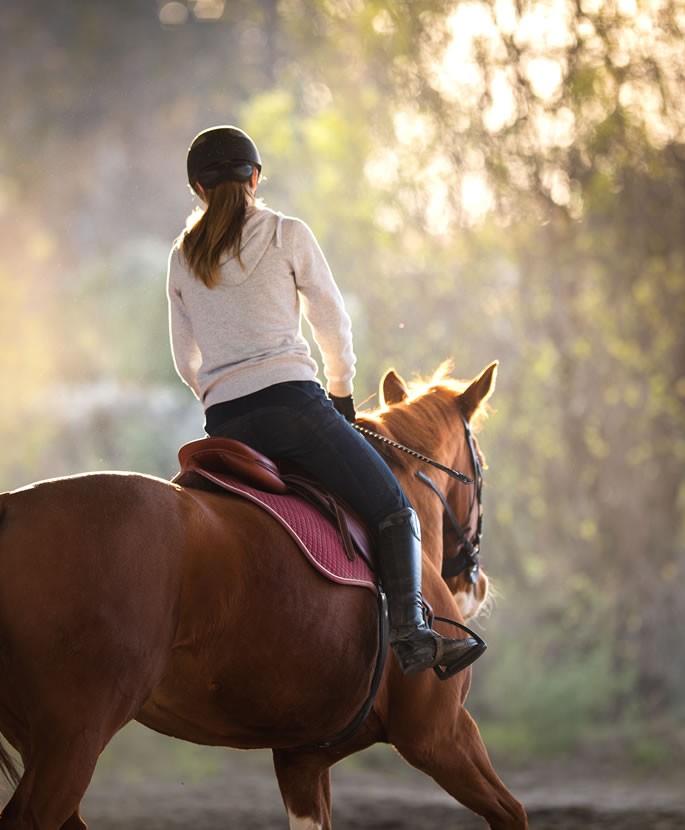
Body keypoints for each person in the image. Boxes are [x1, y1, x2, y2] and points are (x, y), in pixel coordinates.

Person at [166, 125, 484, 678]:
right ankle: (412, 634)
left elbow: (183, 360)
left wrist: (219, 397)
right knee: (394, 507)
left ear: (197, 188)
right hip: (295, 410)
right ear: (255, 179)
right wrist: (340, 393)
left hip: (225, 426)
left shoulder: (181, 258)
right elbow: (332, 324)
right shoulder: (287, 233)